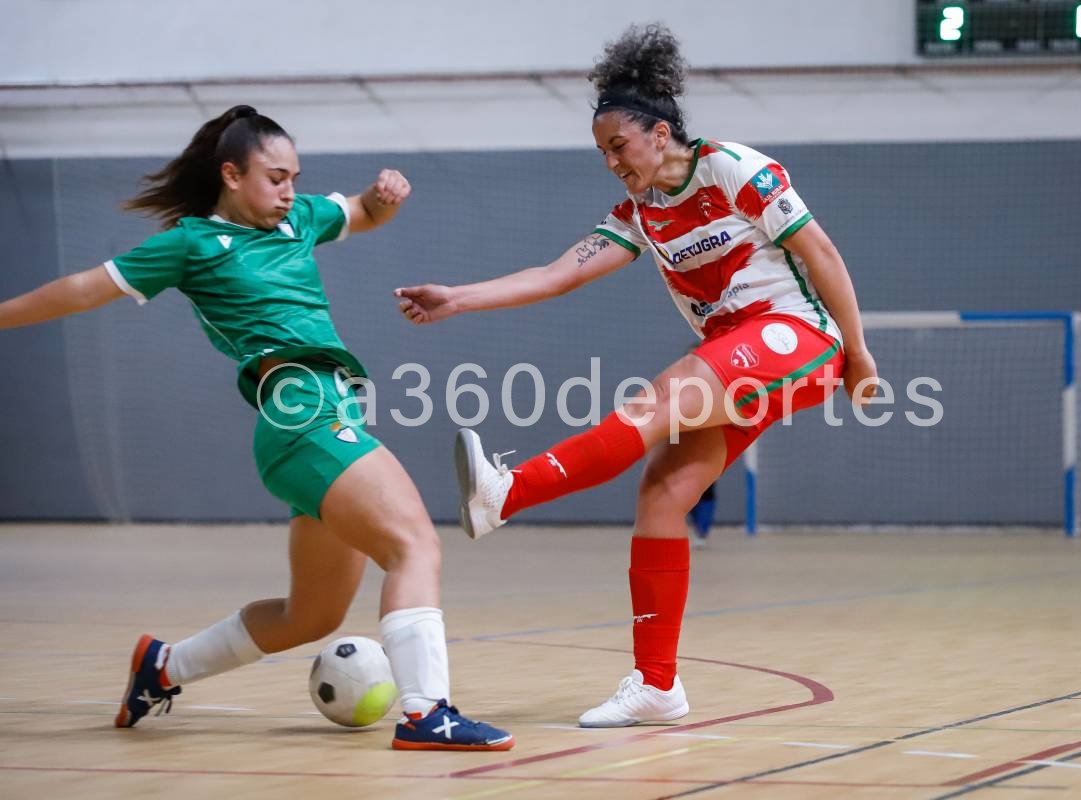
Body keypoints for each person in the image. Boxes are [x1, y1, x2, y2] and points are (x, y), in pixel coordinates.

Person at [396, 24, 877, 728]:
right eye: (602, 154)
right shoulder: (639, 215)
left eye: (619, 146)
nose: (612, 162)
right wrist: (457, 298)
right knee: (661, 493)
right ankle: (657, 686)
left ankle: (505, 494)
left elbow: (824, 253)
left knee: (656, 403)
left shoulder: (733, 168)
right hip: (735, 349)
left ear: (658, 133)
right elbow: (558, 274)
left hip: (794, 336)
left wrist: (858, 354)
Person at [0, 105, 512, 751]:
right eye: (276, 177)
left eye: (295, 176)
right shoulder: (191, 244)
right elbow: (79, 290)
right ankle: (426, 712)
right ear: (232, 175)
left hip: (328, 417)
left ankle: (163, 666)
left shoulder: (299, 219)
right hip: (301, 414)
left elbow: (363, 212)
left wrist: (386, 199)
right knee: (415, 546)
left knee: (312, 616)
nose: (290, 190)